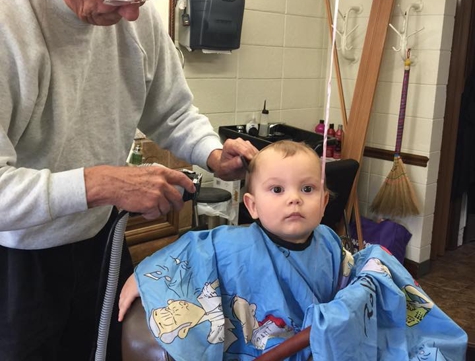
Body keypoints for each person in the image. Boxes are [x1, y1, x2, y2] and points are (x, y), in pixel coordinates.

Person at [0, 0, 257, 359]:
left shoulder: (133, 12)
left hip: (100, 241)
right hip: (17, 259)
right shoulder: (9, 15)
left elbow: (172, 111)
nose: (132, 14)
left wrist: (211, 153)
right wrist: (100, 183)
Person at [119, 140, 468, 361]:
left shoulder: (330, 241)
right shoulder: (230, 244)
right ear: (251, 205)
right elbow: (187, 254)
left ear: (325, 202)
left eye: (307, 188)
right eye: (277, 189)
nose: (293, 198)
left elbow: (351, 286)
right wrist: (142, 277)